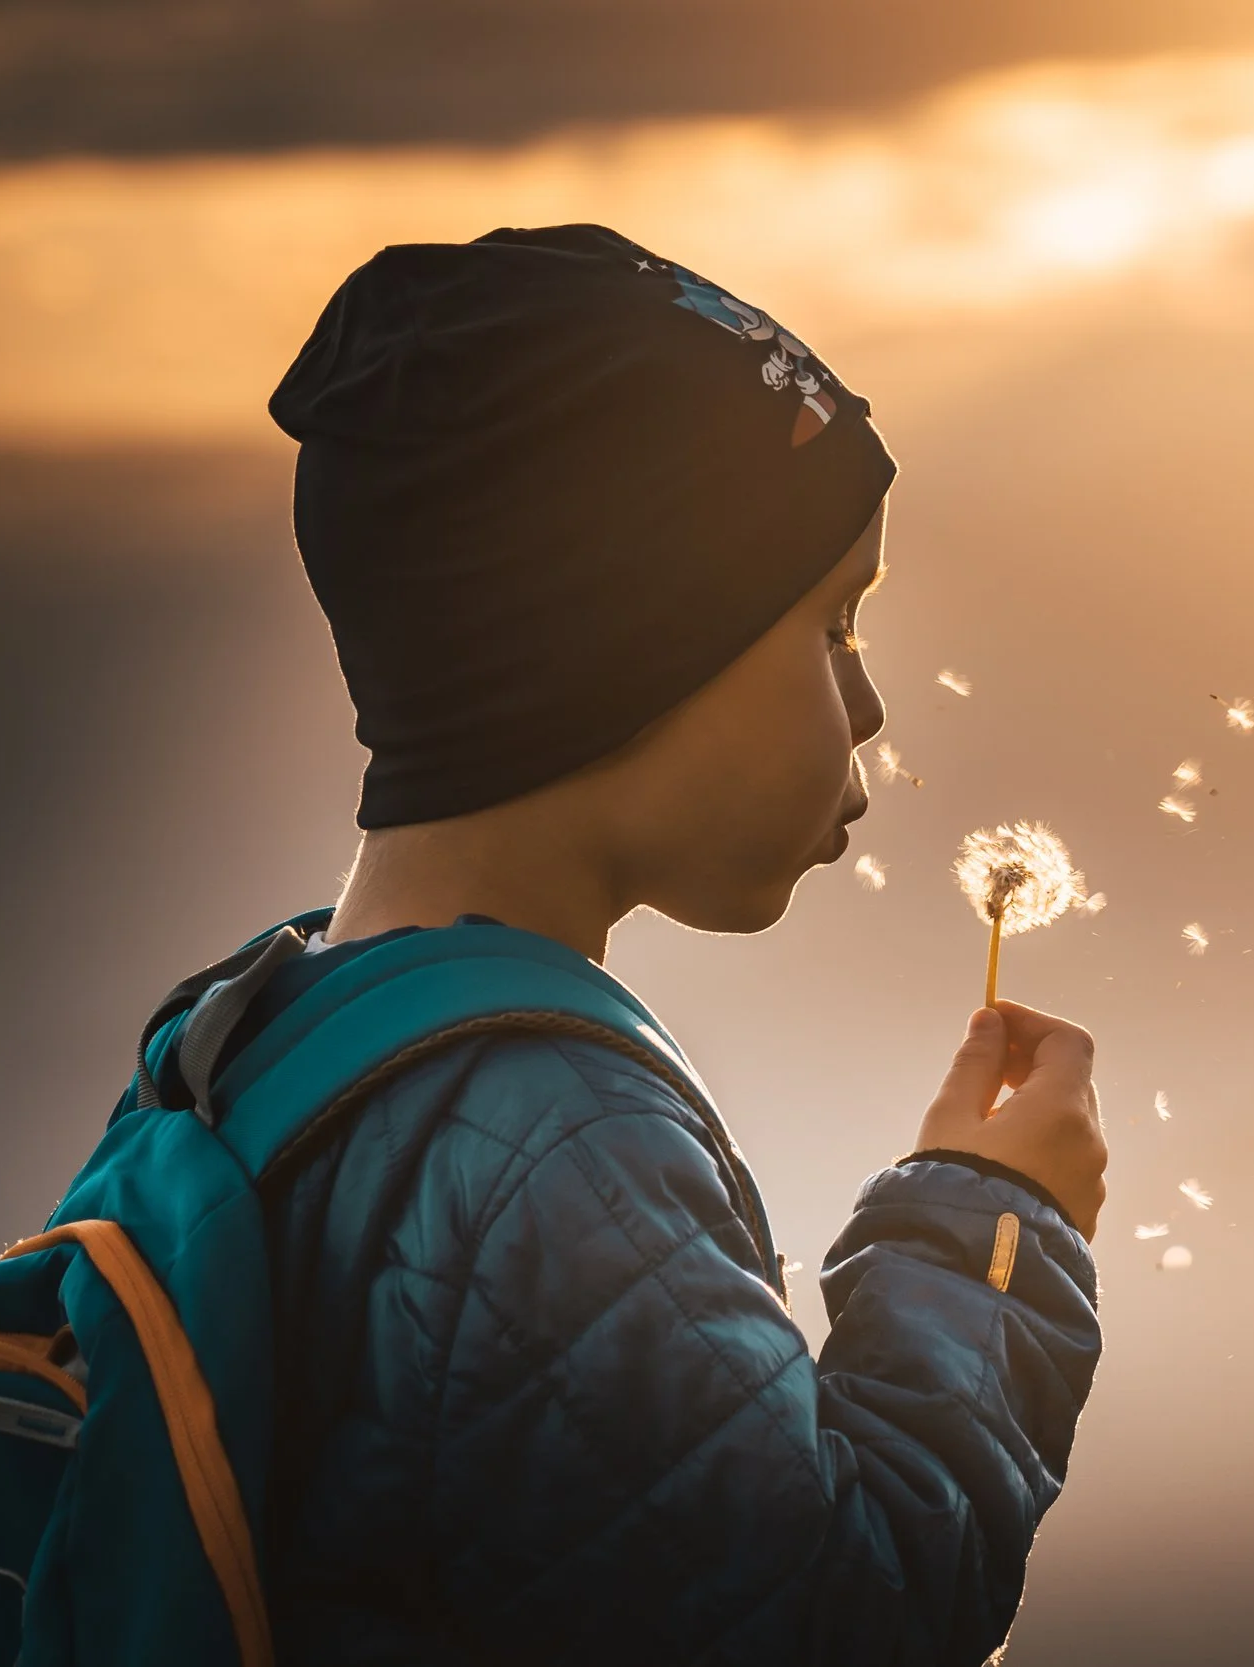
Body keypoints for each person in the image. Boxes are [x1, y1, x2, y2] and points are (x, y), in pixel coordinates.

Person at [218, 223, 1106, 1663]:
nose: (868, 704)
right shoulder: (553, 1162)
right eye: (829, 625)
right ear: (619, 654)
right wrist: (994, 1242)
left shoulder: (261, 1042)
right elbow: (839, 1614)